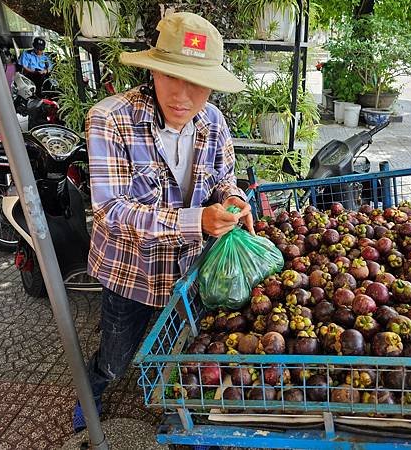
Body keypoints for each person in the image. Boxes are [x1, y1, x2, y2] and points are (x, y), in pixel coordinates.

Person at [72, 12, 253, 432]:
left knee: (186, 347)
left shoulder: (214, 122)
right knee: (117, 356)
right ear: (153, 69)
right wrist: (197, 221)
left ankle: (182, 409)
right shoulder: (110, 118)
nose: (183, 96)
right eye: (172, 76)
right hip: (129, 271)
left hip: (190, 268)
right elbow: (110, 210)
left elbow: (225, 179)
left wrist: (232, 199)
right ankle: (93, 390)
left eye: (197, 82)